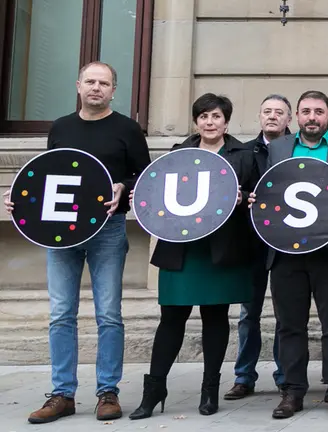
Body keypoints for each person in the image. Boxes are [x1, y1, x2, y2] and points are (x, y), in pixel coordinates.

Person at [2, 62, 151, 424]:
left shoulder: (128, 129)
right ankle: (62, 394)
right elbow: (48, 177)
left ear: (113, 90)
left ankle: (107, 392)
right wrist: (21, 198)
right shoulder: (61, 127)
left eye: (104, 83)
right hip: (60, 233)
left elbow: (146, 177)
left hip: (109, 230)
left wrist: (125, 186)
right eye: (90, 81)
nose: (96, 87)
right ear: (78, 86)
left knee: (109, 314)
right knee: (60, 314)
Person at [128, 93, 256, 419]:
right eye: (203, 117)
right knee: (171, 319)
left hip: (221, 249)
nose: (209, 122)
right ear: (196, 121)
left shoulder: (244, 156)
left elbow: (258, 197)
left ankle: (209, 390)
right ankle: (154, 389)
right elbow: (157, 194)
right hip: (180, 250)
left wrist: (244, 198)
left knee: (215, 317)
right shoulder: (178, 153)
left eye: (215, 116)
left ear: (226, 121)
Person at [251, 90, 328, 419]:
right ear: (297, 117)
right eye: (306, 111)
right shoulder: (278, 148)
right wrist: (257, 199)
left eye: (318, 111)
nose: (312, 117)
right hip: (286, 252)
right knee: (289, 325)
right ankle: (292, 391)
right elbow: (268, 189)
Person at [224, 94, 292, 400]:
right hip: (252, 242)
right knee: (248, 313)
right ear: (259, 116)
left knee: (285, 313)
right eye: (267, 111)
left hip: (287, 242)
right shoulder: (244, 151)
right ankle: (244, 376)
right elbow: (233, 194)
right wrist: (245, 199)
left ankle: (285, 375)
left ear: (289, 119)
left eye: (279, 112)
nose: (272, 116)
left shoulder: (297, 150)